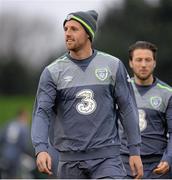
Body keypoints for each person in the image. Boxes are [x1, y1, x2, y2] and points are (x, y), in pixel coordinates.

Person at [31, 10, 143, 179]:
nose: (67, 34)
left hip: (107, 160)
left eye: (74, 29)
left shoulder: (113, 66)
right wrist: (40, 148)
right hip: (69, 162)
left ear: (88, 34)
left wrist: (134, 150)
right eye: (66, 29)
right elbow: (42, 113)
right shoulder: (52, 72)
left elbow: (127, 108)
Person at [120, 41, 172, 179]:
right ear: (130, 63)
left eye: (148, 60)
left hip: (157, 166)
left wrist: (168, 159)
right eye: (138, 60)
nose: (143, 65)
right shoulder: (119, 91)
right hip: (124, 164)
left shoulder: (167, 94)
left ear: (154, 63)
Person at [0, 108, 32, 178]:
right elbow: (24, 145)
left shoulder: (8, 123)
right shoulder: (24, 127)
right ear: (23, 116)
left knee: (5, 175)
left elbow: (1, 138)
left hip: (4, 154)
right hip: (16, 156)